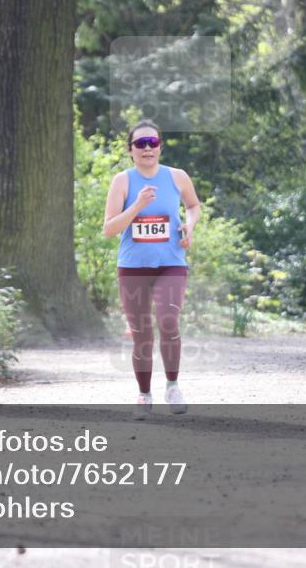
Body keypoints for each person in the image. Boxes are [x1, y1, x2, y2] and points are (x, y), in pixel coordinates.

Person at [103, 120, 201, 419]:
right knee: (142, 333)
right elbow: (109, 229)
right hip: (133, 267)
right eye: (140, 144)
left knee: (168, 320)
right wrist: (137, 206)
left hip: (171, 263)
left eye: (152, 143)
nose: (147, 149)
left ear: (160, 146)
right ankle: (144, 394)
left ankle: (172, 386)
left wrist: (190, 226)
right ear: (130, 150)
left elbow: (194, 206)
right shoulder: (122, 181)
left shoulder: (177, 177)